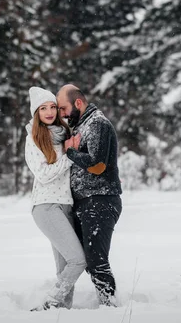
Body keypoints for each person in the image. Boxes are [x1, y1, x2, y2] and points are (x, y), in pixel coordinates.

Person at [56, 84, 123, 307]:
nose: (61, 114)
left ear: (78, 103)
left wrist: (71, 152)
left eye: (63, 108)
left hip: (100, 200)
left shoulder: (97, 123)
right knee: (83, 259)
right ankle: (105, 303)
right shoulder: (80, 126)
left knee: (96, 261)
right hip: (85, 202)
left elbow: (98, 166)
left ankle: (110, 306)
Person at [24, 86, 87, 311]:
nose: (50, 112)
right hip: (46, 206)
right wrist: (70, 155)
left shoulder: (64, 133)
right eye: (43, 108)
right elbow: (44, 174)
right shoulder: (34, 139)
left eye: (52, 107)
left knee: (64, 269)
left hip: (66, 206)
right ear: (36, 113)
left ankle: (62, 313)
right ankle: (50, 303)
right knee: (78, 260)